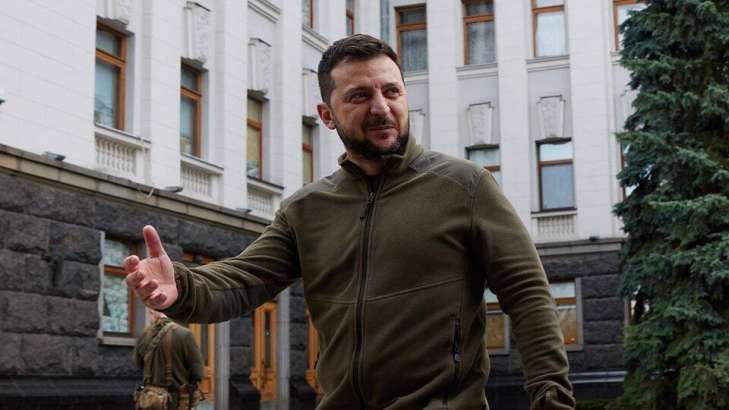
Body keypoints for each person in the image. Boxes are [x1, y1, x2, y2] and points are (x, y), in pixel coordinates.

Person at [125, 34, 575, 409]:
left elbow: (527, 294)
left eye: (391, 91)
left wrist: (551, 397)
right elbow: (242, 281)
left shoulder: (465, 186)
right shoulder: (306, 209)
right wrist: (182, 287)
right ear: (327, 115)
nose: (381, 107)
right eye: (360, 95)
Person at [132, 308, 204, 410]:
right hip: (175, 401)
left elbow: (137, 364)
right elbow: (198, 373)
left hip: (149, 400)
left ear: (153, 312)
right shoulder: (185, 334)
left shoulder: (144, 334)